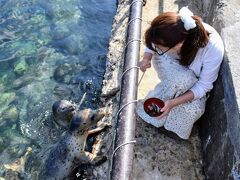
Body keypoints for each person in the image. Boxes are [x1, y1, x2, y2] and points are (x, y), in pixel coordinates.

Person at [136, 7, 224, 139]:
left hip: (192, 79)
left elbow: (204, 86)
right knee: (182, 80)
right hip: (168, 62)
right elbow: (154, 42)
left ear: (179, 45)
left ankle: (172, 126)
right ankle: (158, 114)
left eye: (159, 47)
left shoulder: (213, 49)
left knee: (191, 103)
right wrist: (146, 58)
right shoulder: (174, 28)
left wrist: (173, 103)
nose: (156, 48)